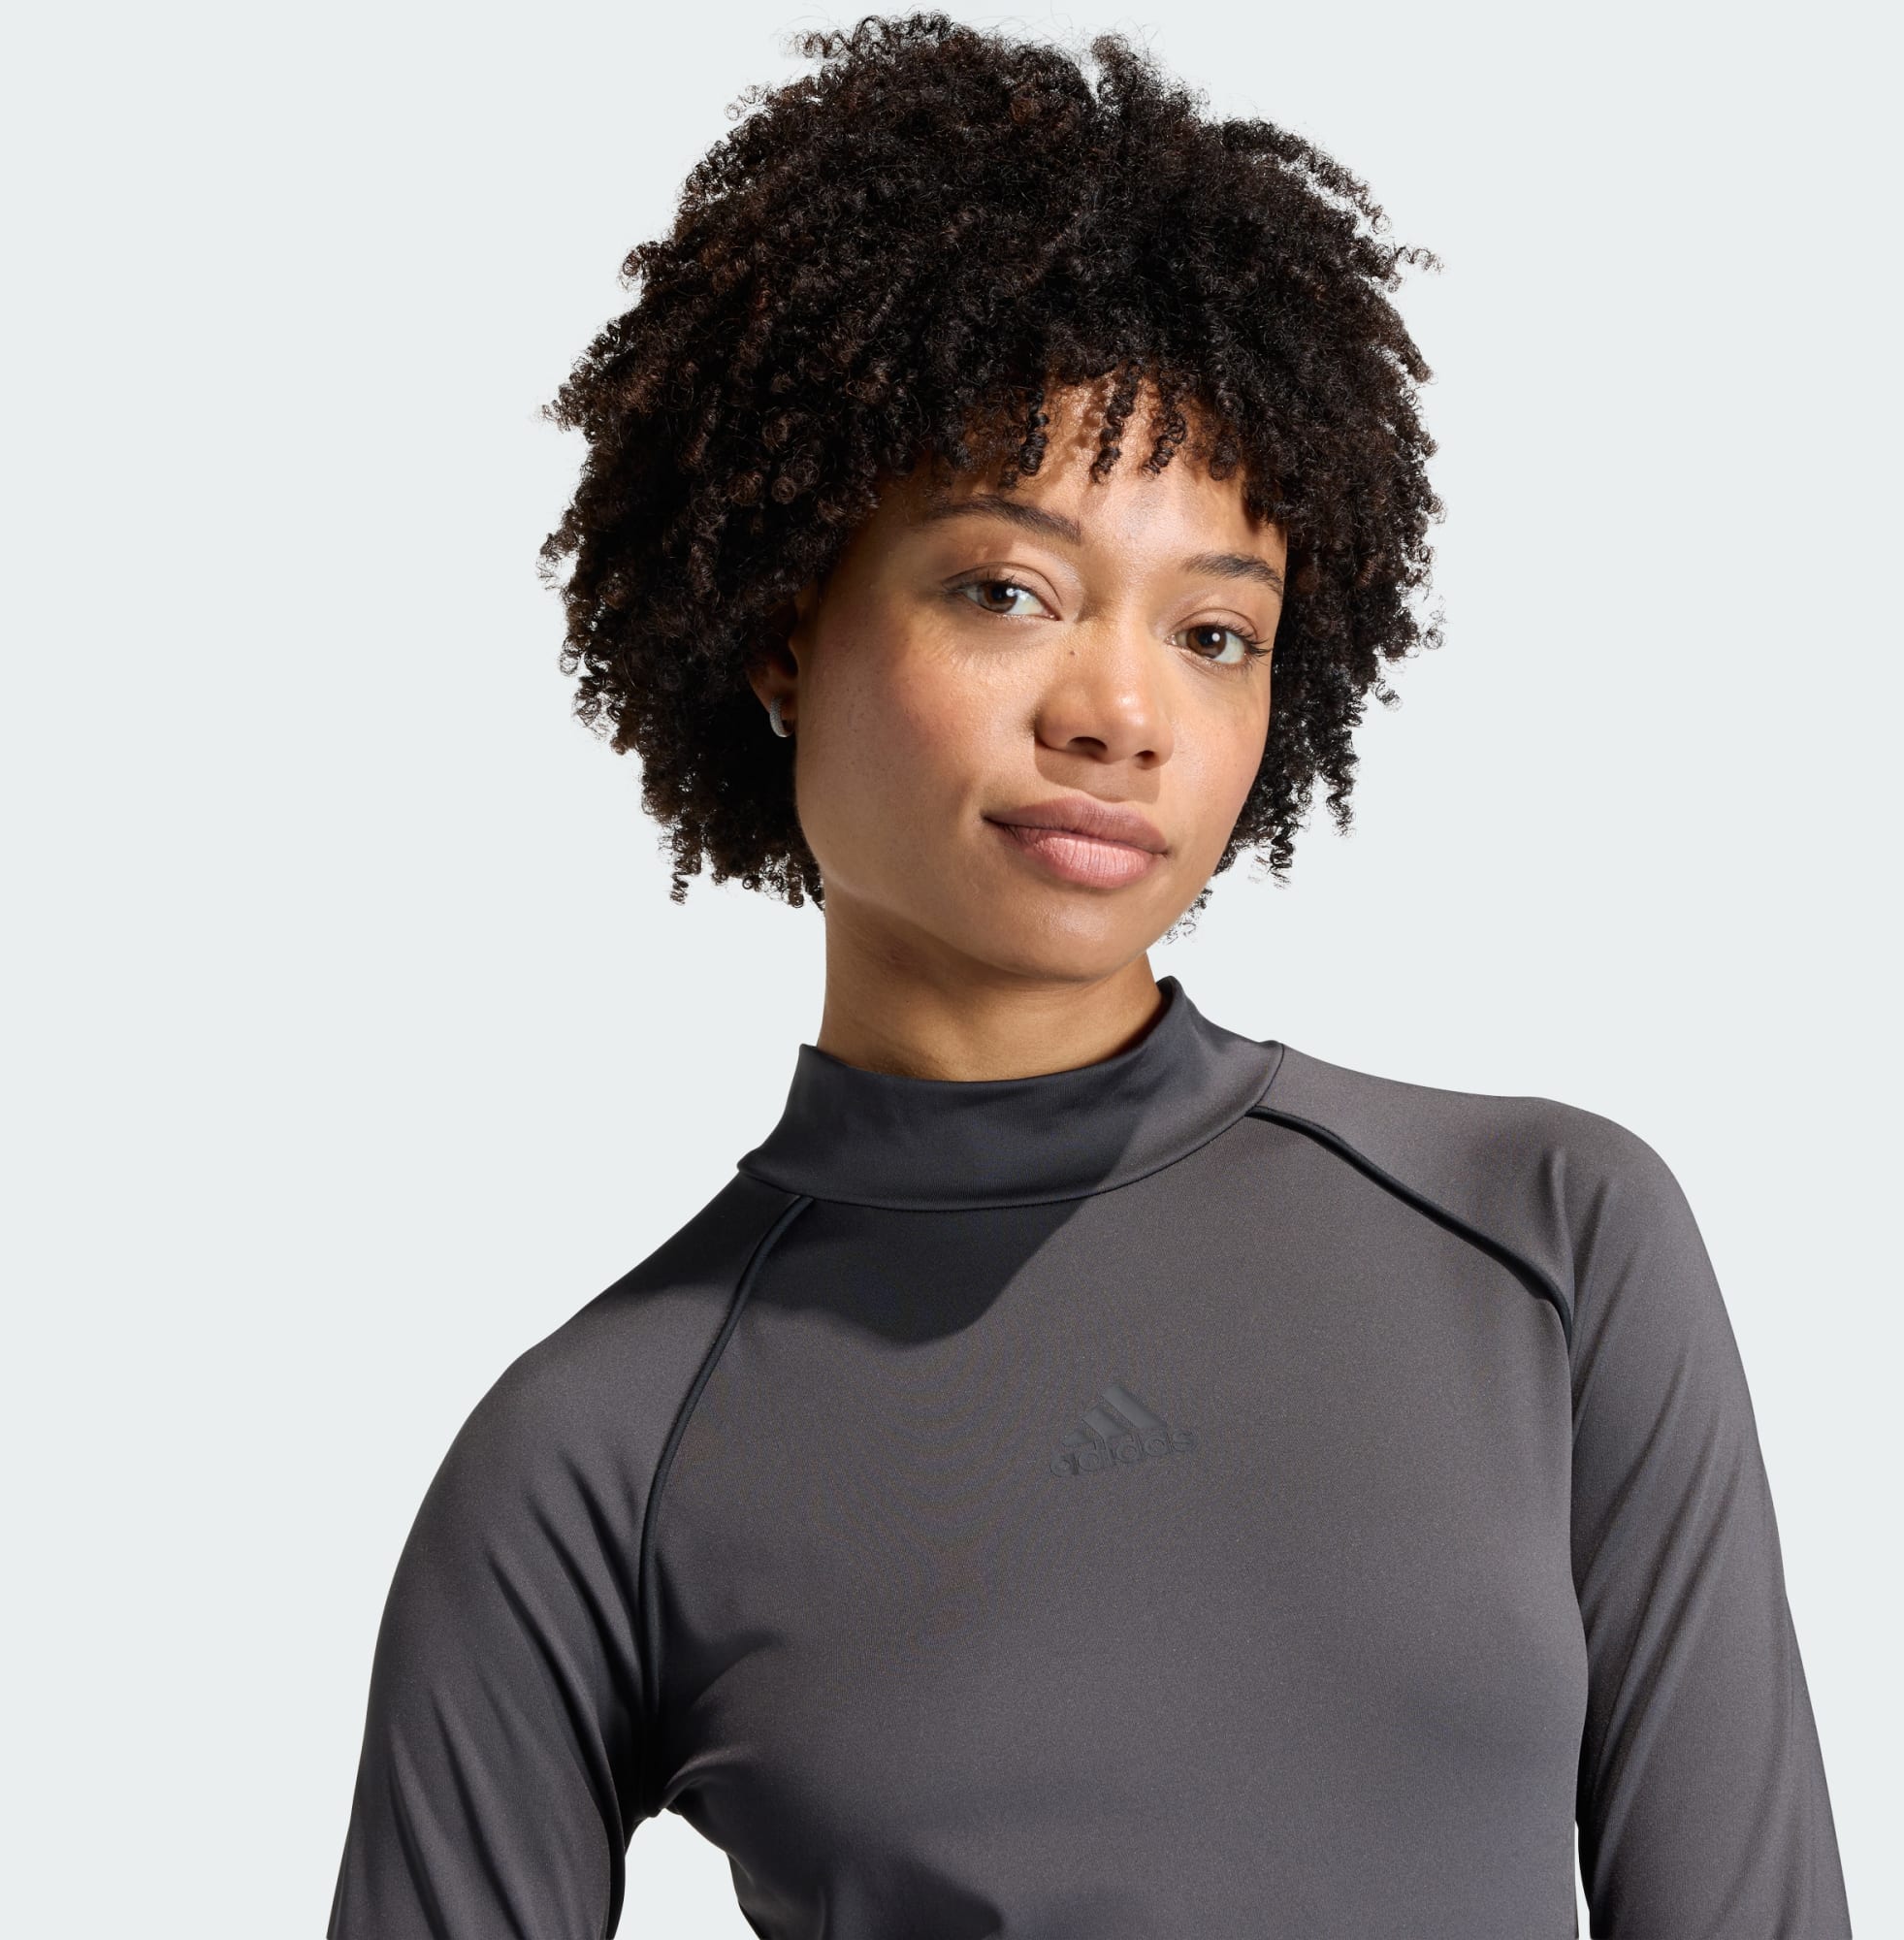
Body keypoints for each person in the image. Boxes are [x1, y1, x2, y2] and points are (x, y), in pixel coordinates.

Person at [325, 16, 1852, 1937]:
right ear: (784, 625)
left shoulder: (1546, 1242)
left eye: (1215, 632)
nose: (1120, 712)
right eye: (1006, 590)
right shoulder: (595, 1455)